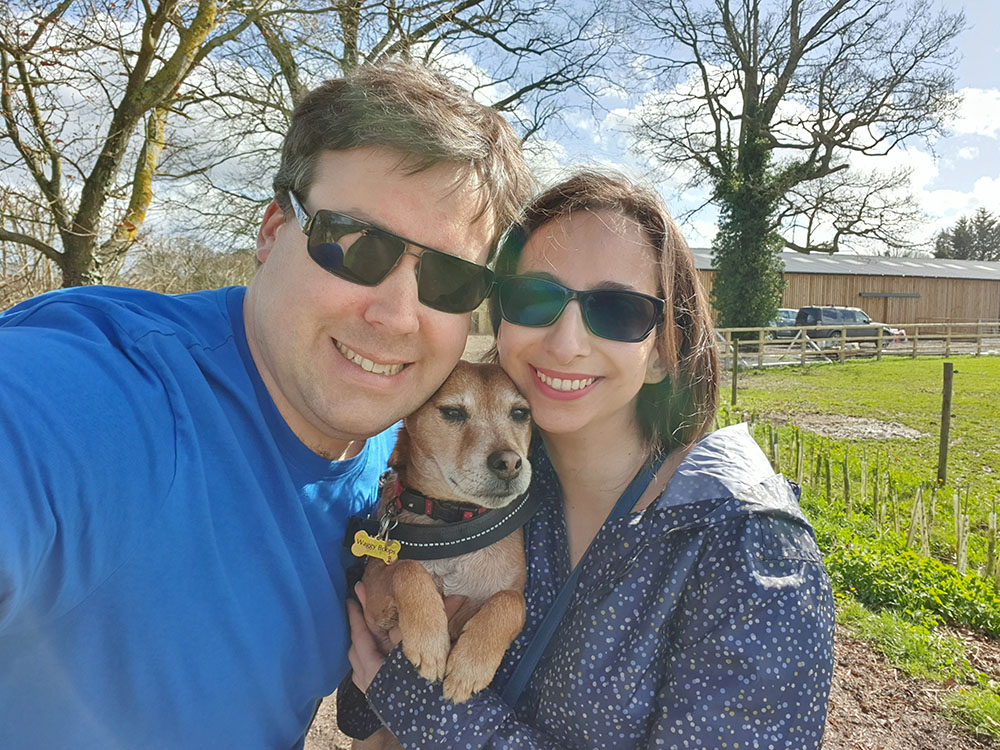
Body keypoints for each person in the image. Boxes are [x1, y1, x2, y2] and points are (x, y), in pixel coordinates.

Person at [0, 62, 532, 749]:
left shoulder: (393, 443)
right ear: (274, 229)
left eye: (450, 278)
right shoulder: (106, 393)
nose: (398, 317)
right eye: (356, 245)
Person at [347, 170, 836, 748]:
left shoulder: (751, 554)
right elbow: (362, 695)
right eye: (534, 298)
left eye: (618, 310)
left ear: (663, 353)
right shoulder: (501, 488)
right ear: (501, 327)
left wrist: (423, 707)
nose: (565, 343)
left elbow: (397, 691)